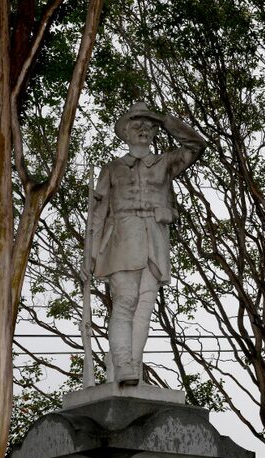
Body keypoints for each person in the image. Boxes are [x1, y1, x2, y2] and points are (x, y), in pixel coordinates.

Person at [89, 102, 207, 384]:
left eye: (148, 125)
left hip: (155, 237)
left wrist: (166, 119)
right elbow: (97, 213)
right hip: (122, 237)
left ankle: (132, 366)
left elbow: (196, 146)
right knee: (126, 300)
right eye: (136, 125)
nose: (143, 129)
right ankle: (123, 362)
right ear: (126, 133)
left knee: (145, 305)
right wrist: (89, 256)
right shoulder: (113, 168)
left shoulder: (164, 163)